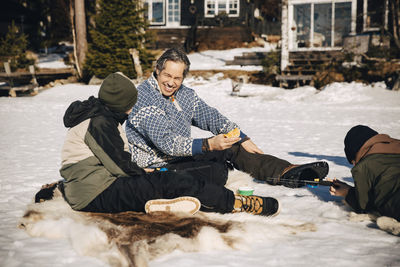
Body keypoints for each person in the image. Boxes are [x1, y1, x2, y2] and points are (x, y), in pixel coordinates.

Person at [39, 72, 280, 217]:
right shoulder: (100, 123)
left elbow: (116, 163)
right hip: (95, 192)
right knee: (173, 181)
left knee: (211, 172)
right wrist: (149, 176)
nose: (133, 109)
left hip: (102, 182)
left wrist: (147, 174)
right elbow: (121, 167)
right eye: (130, 104)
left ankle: (166, 198)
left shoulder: (103, 116)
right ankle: (237, 204)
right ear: (119, 103)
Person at [125, 47, 329, 188]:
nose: (171, 83)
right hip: (155, 167)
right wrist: (208, 145)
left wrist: (240, 136)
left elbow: (210, 116)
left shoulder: (184, 94)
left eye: (177, 78)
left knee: (232, 145)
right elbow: (167, 143)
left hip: (180, 158)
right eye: (167, 76)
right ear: (157, 70)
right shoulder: (143, 97)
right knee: (217, 170)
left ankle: (287, 172)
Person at [330, 125, 400, 221]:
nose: (355, 165)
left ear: (355, 154)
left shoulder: (364, 165)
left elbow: (364, 205)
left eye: (353, 162)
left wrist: (347, 192)